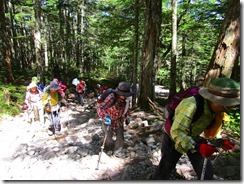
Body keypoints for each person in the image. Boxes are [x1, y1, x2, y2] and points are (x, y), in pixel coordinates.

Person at [149, 77, 240, 180]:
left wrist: (220, 143)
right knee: (165, 169)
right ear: (212, 99)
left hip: (193, 137)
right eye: (224, 106)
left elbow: (207, 133)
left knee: (206, 172)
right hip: (173, 137)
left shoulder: (215, 112)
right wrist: (197, 146)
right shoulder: (191, 104)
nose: (226, 109)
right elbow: (177, 131)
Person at [97, 81, 133, 157]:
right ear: (119, 93)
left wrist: (127, 117)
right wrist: (105, 117)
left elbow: (127, 109)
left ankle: (118, 152)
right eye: (124, 95)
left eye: (126, 95)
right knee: (108, 137)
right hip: (108, 120)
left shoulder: (127, 100)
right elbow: (100, 108)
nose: (125, 96)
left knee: (120, 136)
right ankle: (104, 145)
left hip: (119, 120)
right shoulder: (112, 97)